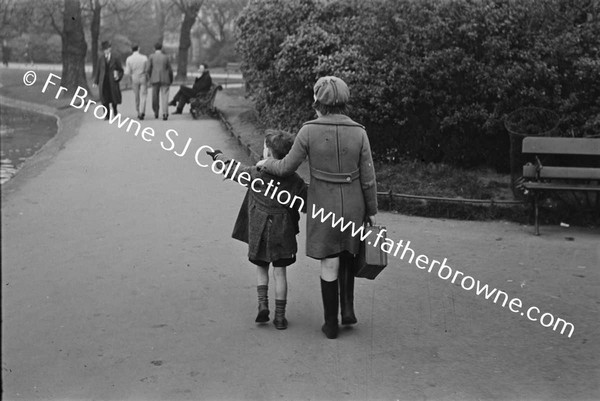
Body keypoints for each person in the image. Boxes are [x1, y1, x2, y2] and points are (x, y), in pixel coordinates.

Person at [257, 76, 378, 339]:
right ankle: (347, 309)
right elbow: (368, 178)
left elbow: (286, 167)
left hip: (324, 204)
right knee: (349, 251)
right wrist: (371, 210)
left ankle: (330, 323)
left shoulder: (308, 130)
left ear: (317, 102)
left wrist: (265, 165)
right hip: (354, 203)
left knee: (329, 261)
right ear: (345, 103)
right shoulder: (359, 132)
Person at [206, 130, 307, 330]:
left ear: (268, 154)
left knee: (261, 268)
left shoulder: (256, 174)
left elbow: (234, 170)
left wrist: (219, 157)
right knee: (280, 273)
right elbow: (307, 202)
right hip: (283, 233)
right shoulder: (295, 181)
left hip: (259, 231)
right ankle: (280, 316)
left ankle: (262, 304)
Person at [93, 40, 124, 120]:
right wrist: (96, 81)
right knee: (104, 98)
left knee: (114, 97)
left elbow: (120, 70)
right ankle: (106, 115)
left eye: (108, 48)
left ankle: (115, 110)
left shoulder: (115, 57)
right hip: (103, 81)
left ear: (110, 49)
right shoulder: (101, 58)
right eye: (105, 49)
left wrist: (118, 77)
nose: (107, 50)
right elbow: (98, 70)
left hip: (112, 81)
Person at [147, 42, 173, 120]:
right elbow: (170, 69)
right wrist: (171, 78)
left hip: (154, 78)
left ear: (154, 48)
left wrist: (149, 77)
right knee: (165, 96)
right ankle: (165, 113)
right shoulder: (166, 57)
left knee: (155, 96)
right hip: (165, 78)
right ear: (161, 48)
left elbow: (148, 68)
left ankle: (156, 112)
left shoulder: (151, 56)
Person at [124, 44, 148, 120]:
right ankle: (142, 111)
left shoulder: (129, 59)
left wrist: (128, 79)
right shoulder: (144, 58)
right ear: (138, 49)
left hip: (134, 77)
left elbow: (127, 71)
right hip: (143, 76)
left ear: (132, 50)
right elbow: (147, 69)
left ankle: (138, 111)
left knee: (136, 96)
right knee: (143, 95)